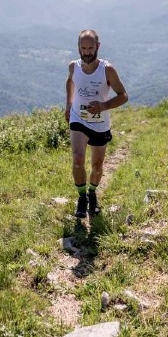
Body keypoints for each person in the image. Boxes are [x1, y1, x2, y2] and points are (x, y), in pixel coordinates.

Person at [65, 29, 128, 218]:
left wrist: (103, 105)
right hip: (78, 118)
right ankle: (82, 197)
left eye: (90, 48)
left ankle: (92, 193)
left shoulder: (107, 69)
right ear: (78, 47)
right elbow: (70, 82)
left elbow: (123, 96)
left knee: (97, 166)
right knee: (77, 161)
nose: (86, 52)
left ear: (97, 47)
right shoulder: (73, 67)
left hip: (100, 123)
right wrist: (69, 105)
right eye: (83, 48)